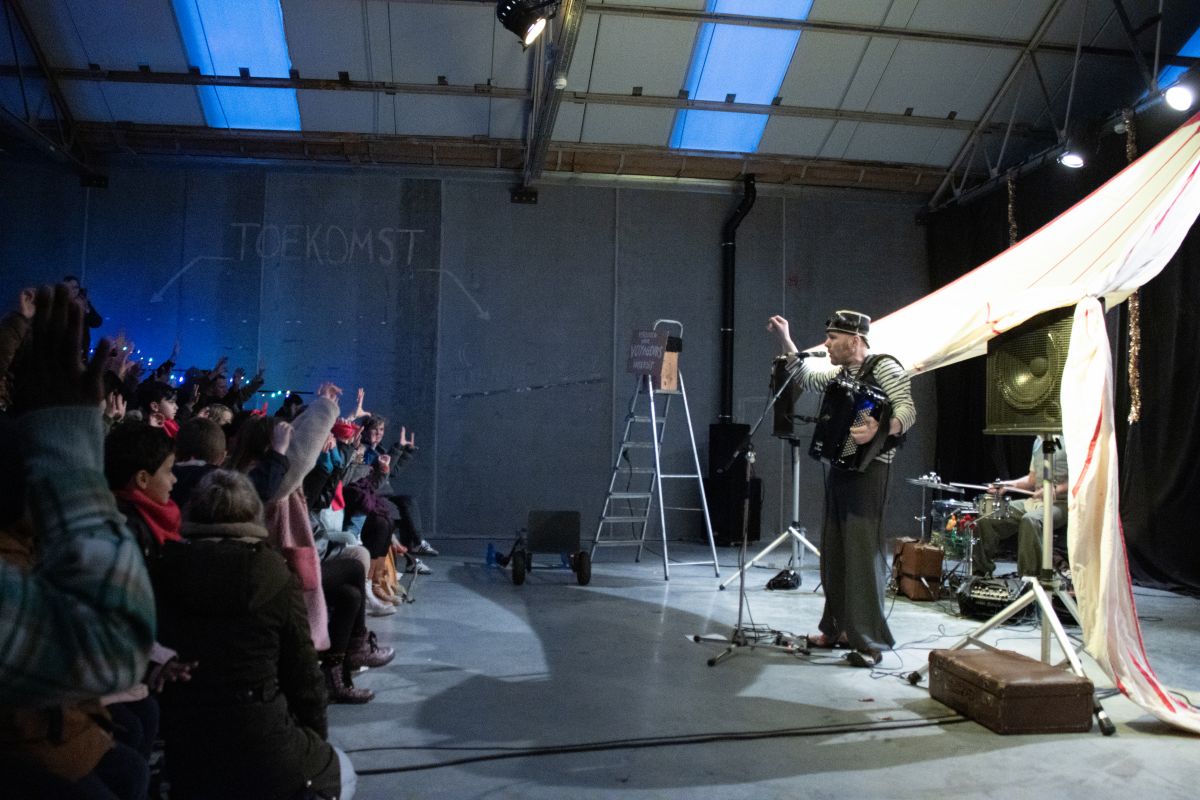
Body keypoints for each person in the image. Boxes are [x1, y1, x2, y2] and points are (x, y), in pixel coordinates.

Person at [153, 469, 354, 799]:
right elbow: (303, 675)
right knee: (343, 772)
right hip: (262, 739)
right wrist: (314, 738)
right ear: (252, 513)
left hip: (187, 747)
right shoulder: (272, 573)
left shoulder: (163, 567)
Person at [767, 310, 916, 668]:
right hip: (841, 468)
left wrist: (882, 427)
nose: (828, 344)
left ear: (855, 340)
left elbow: (908, 410)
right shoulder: (840, 375)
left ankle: (869, 642)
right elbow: (804, 375)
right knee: (834, 551)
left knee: (862, 555)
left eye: (833, 338)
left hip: (870, 471)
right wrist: (786, 340)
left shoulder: (885, 367)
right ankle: (836, 629)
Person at [972, 435, 1069, 577]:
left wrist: (1054, 490)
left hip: (1061, 504)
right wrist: (1007, 485)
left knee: (1031, 519)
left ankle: (1029, 577)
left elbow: (1081, 477)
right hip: (1035, 502)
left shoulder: (1070, 438)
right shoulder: (1038, 441)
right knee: (988, 512)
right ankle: (980, 572)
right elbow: (1032, 479)